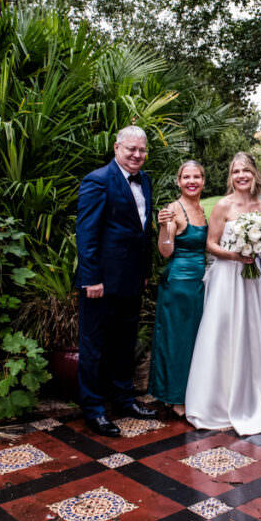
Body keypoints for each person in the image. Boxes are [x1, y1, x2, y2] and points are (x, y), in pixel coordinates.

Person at [74, 125, 158, 437]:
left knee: (125, 343)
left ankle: (124, 399)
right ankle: (94, 409)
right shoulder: (97, 180)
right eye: (131, 149)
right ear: (116, 148)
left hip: (132, 280)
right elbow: (87, 234)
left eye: (142, 150)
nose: (137, 155)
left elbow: (142, 231)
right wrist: (91, 278)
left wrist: (145, 270)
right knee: (94, 345)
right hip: (101, 283)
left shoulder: (145, 181)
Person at [185, 153, 261, 435]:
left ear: (254, 174)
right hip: (227, 277)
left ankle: (252, 398)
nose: (241, 175)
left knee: (251, 334)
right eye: (236, 171)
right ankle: (216, 403)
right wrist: (236, 255)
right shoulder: (222, 205)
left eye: (246, 170)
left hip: (253, 279)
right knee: (222, 335)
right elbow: (210, 244)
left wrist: (257, 258)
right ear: (230, 176)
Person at [148, 161, 208, 418]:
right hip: (179, 283)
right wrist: (164, 226)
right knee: (177, 340)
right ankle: (175, 397)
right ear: (178, 181)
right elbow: (166, 250)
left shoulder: (202, 209)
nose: (191, 181)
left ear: (203, 181)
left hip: (200, 282)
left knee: (196, 339)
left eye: (196, 177)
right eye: (186, 177)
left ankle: (193, 391)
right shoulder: (173, 209)